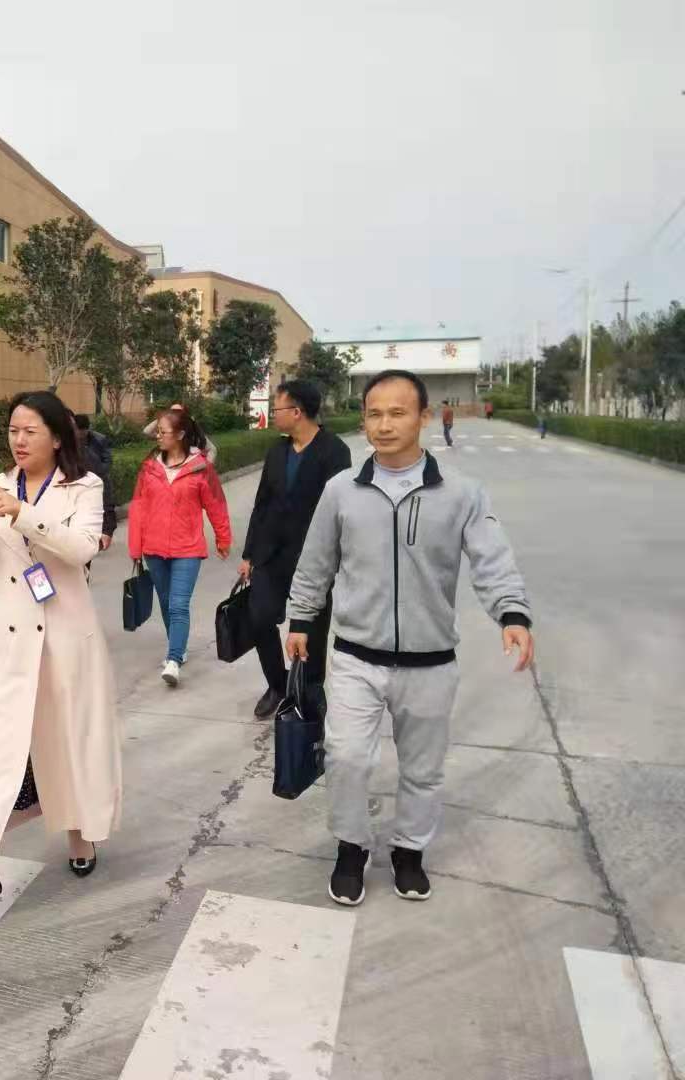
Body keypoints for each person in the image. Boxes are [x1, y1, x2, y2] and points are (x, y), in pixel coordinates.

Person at [287, 369, 534, 907]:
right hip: (356, 656)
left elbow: (492, 559)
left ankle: (409, 850)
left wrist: (512, 612)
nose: (384, 424)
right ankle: (351, 847)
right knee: (347, 758)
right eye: (374, 414)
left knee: (422, 770)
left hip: (430, 660)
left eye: (397, 413)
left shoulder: (461, 493)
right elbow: (316, 562)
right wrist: (301, 619)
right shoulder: (342, 491)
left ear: (423, 417)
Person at [0, 391, 121, 921]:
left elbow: (81, 548)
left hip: (68, 635)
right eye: (13, 431)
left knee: (67, 738)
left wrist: (24, 514)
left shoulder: (84, 487)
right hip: (10, 637)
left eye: (30, 431)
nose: (18, 441)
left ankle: (79, 831)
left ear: (58, 437)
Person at [238, 380, 352, 718]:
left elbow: (341, 509)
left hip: (313, 558)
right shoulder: (277, 450)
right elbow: (262, 503)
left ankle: (310, 691)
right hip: (270, 554)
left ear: (297, 412)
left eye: (277, 408)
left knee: (312, 630)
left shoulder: (334, 451)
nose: (274, 414)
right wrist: (248, 554)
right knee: (259, 618)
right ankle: (277, 684)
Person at [128, 404, 232, 687]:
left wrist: (223, 538)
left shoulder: (201, 468)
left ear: (181, 434)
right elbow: (138, 508)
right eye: (158, 431)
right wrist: (136, 547)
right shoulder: (150, 467)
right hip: (154, 549)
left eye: (163, 432)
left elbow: (216, 505)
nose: (158, 436)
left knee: (178, 604)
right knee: (165, 602)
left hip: (188, 549)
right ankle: (179, 646)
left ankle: (174, 659)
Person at [73, 413, 117, 551]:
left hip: (99, 477)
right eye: (78, 431)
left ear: (87, 429)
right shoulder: (70, 440)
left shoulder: (99, 439)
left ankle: (105, 533)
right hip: (79, 479)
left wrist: (98, 473)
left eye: (83, 431)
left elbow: (108, 460)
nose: (81, 435)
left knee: (106, 506)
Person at [143, 404, 218, 464]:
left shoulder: (193, 434)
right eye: (172, 412)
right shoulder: (166, 434)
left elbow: (212, 449)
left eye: (177, 412)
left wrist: (205, 467)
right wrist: (163, 419)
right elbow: (147, 431)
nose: (174, 415)